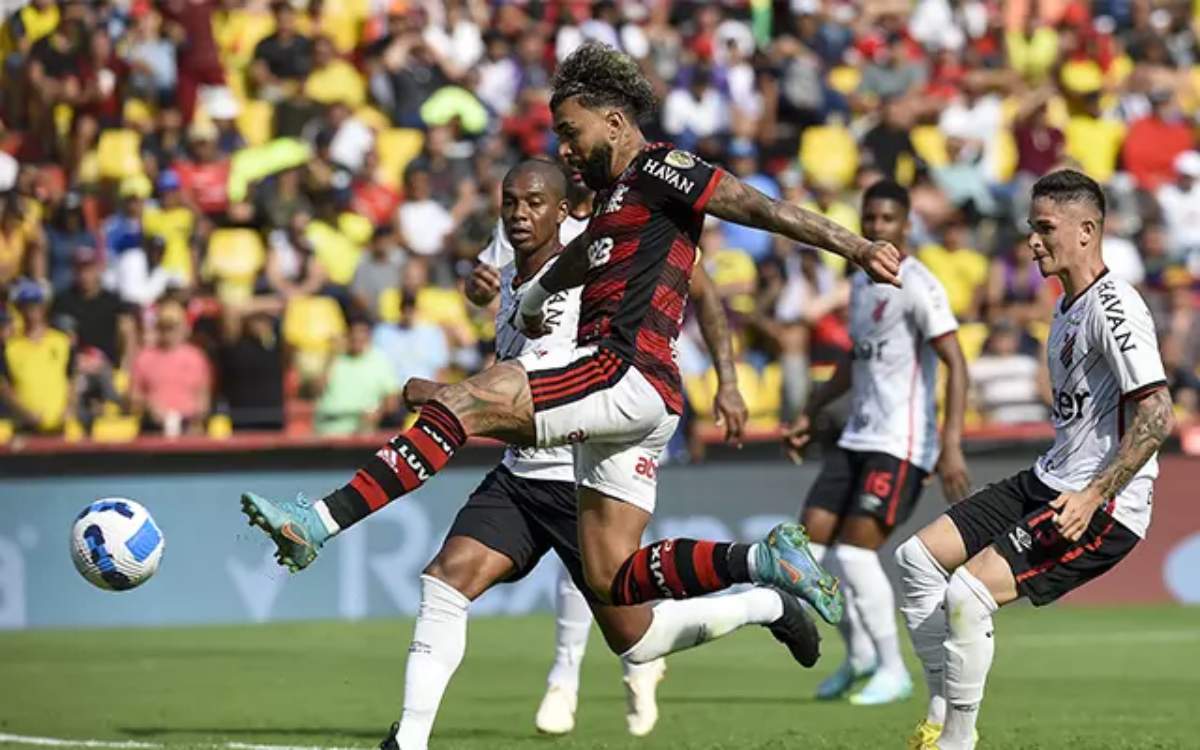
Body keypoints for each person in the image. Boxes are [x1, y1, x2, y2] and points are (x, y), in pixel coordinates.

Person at [241, 46, 901, 728]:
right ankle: (763, 561)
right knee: (617, 589)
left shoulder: (661, 168)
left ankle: (316, 522)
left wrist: (855, 247)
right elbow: (588, 254)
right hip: (642, 403)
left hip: (624, 370)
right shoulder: (616, 200)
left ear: (615, 121)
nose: (564, 145)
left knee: (466, 401)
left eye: (570, 130)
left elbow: (755, 207)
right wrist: (535, 297)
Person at [896, 170, 1174, 750]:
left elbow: (1157, 415)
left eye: (1046, 228)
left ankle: (956, 742)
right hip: (1049, 479)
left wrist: (1094, 495)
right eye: (1031, 228)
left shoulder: (1115, 305)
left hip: (1102, 504)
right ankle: (942, 708)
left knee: (968, 595)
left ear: (1087, 230)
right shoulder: (1067, 307)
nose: (1033, 242)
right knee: (917, 560)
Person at [468, 164, 747, 738]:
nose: (572, 154)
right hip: (554, 402)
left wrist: (727, 379)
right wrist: (479, 285)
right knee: (597, 563)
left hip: (617, 399)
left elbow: (705, 297)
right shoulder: (530, 220)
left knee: (602, 562)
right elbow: (486, 274)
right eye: (563, 143)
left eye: (577, 141)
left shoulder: (641, 220)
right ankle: (594, 673)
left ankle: (596, 672)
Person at [783, 180, 970, 707]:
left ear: (906, 225)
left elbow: (956, 362)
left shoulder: (919, 284)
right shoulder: (862, 282)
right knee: (805, 557)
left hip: (900, 442)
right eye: (870, 218)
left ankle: (894, 670)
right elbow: (853, 361)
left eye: (888, 219)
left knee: (856, 556)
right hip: (855, 437)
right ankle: (861, 655)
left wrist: (950, 444)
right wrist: (809, 412)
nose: (877, 228)